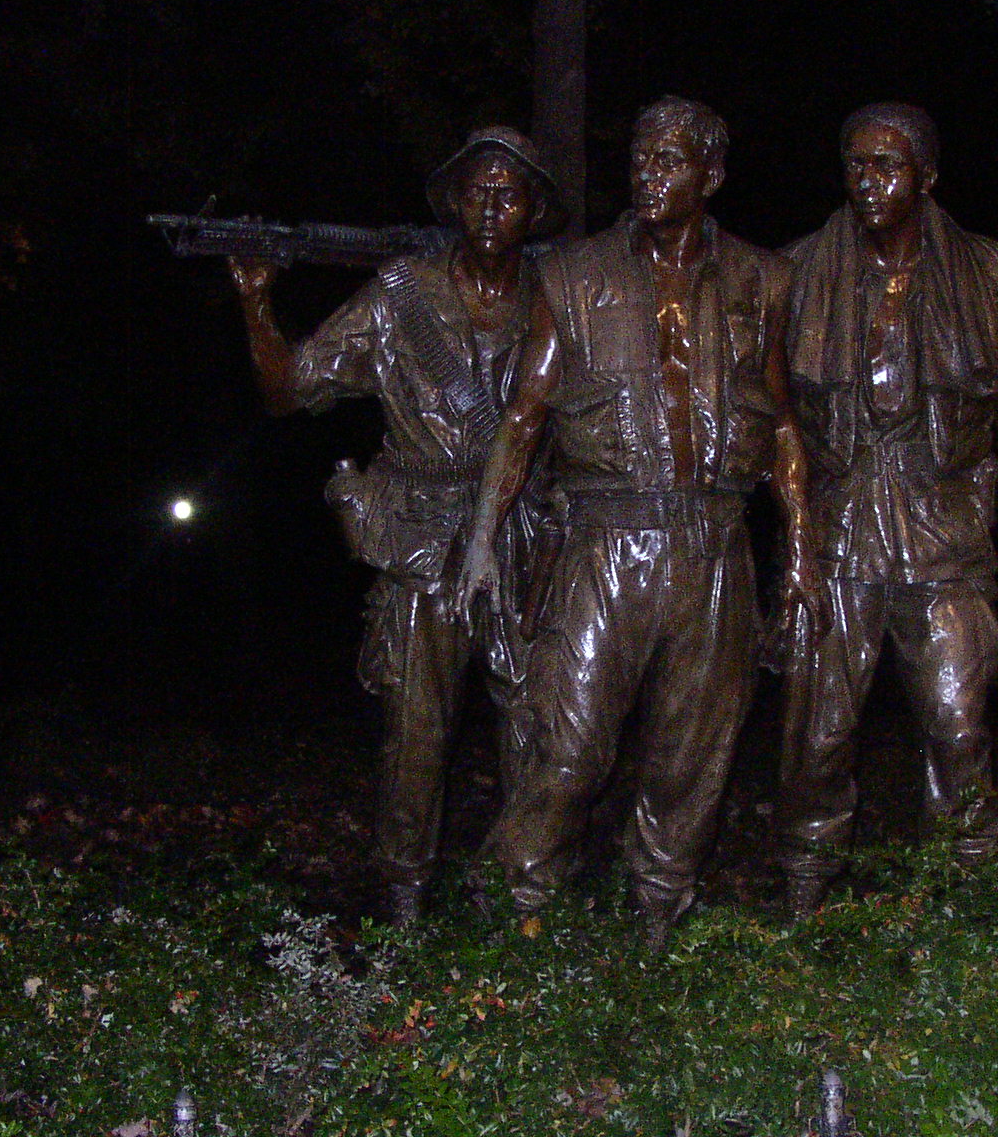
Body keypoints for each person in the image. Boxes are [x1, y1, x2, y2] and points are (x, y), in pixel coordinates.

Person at [457, 96, 821, 950]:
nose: (648, 174)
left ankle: (657, 928)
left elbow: (781, 425)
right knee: (570, 747)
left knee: (692, 762)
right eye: (640, 158)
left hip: (716, 543)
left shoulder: (763, 280)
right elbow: (524, 417)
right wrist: (481, 540)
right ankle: (511, 912)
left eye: (670, 160)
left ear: (712, 176)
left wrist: (799, 547)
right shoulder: (576, 276)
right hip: (605, 540)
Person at [229, 127, 565, 926]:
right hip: (420, 536)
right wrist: (254, 302)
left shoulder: (561, 297)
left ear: (533, 210)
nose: (490, 206)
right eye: (476, 189)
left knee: (538, 728)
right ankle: (406, 903)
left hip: (523, 535)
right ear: (452, 200)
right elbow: (289, 391)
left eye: (509, 192)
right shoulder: (398, 294)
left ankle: (520, 895)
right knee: (415, 734)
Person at [774, 102, 998, 913]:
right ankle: (808, 907)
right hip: (842, 530)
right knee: (818, 739)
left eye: (886, 166)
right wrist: (794, 543)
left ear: (928, 176)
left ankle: (966, 904)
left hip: (941, 527)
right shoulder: (800, 270)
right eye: (855, 164)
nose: (867, 182)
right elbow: (773, 420)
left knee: (959, 727)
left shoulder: (984, 273)